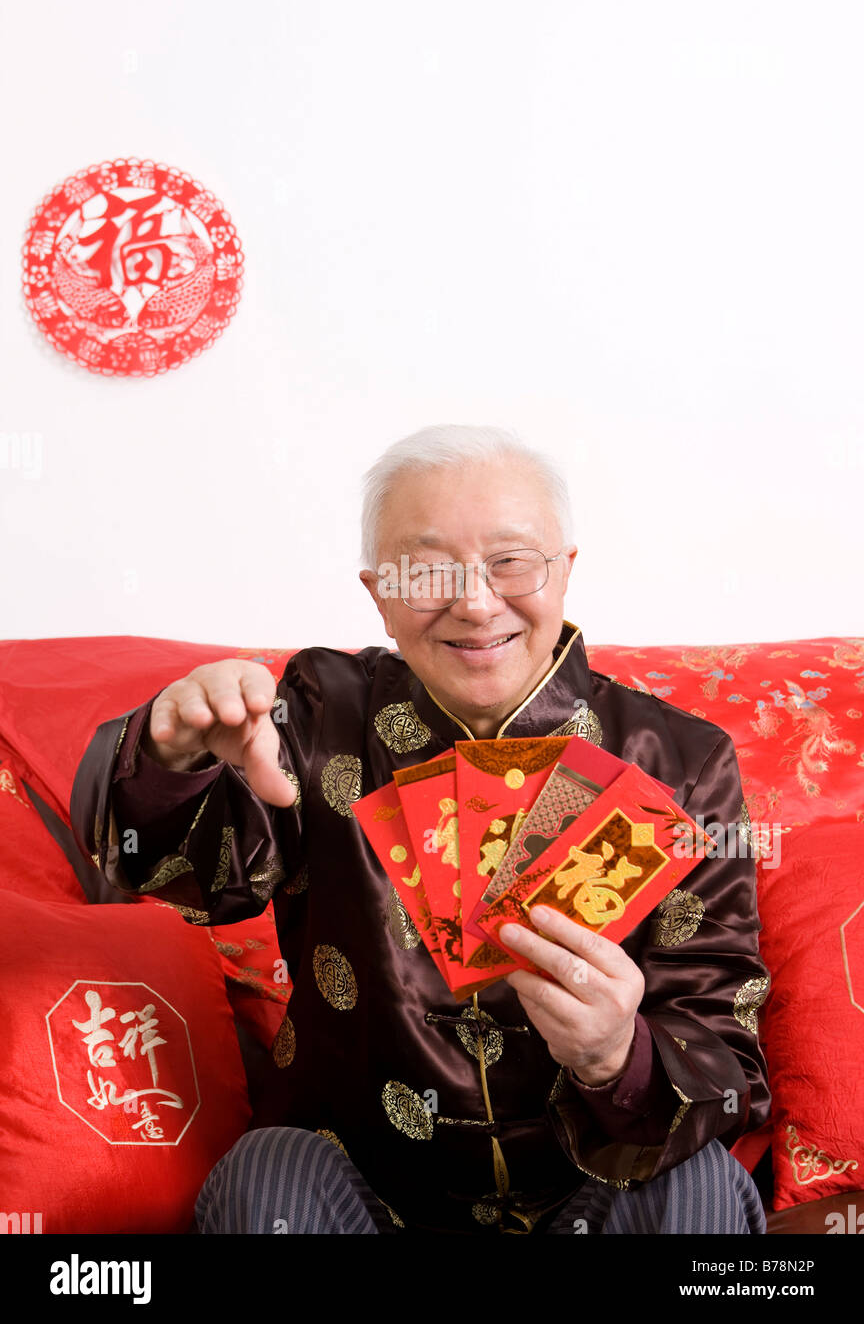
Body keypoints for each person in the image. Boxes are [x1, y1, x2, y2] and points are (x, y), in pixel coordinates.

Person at [70, 424, 771, 1235]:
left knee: (695, 1183)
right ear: (378, 592)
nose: (475, 604)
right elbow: (179, 878)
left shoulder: (680, 759)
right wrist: (172, 748)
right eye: (429, 569)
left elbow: (728, 1053)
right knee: (269, 1171)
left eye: (511, 561)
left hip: (596, 1188)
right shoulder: (311, 715)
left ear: (564, 572)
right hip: (367, 1196)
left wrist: (617, 1055)